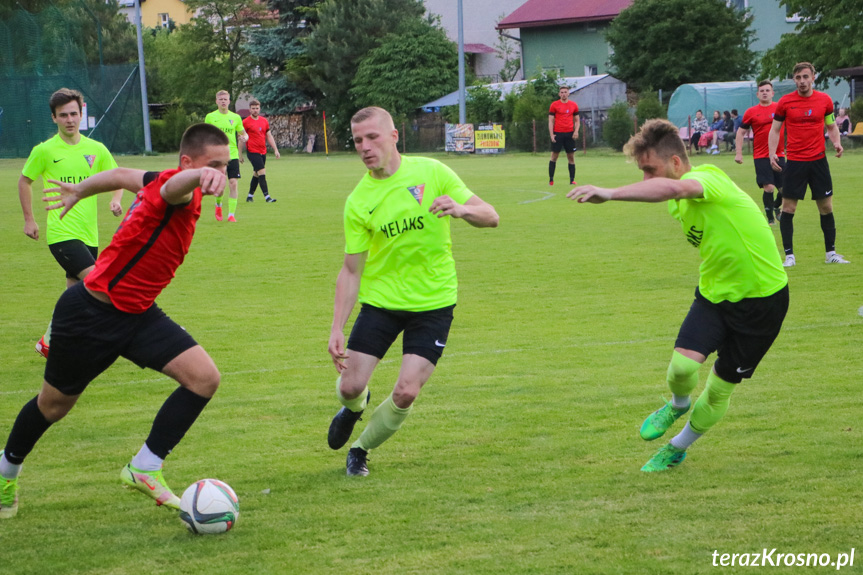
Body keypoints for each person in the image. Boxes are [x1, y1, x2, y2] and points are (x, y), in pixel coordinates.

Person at [0, 124, 230, 519]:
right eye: (215, 166)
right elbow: (175, 188)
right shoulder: (176, 189)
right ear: (188, 163)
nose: (221, 174)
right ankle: (5, 471)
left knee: (204, 378)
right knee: (52, 407)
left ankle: (145, 466)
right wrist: (199, 177)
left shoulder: (161, 179)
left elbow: (123, 175)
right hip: (90, 314)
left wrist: (80, 189)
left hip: (138, 314)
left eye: (226, 166)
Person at [567, 119, 788, 473]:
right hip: (714, 295)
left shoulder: (710, 178)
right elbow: (672, 198)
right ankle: (677, 403)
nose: (645, 180)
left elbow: (675, 190)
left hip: (762, 301)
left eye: (649, 170)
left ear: (675, 163)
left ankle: (677, 447)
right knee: (681, 369)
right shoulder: (676, 204)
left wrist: (611, 193)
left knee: (718, 390)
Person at [326, 107, 499, 477]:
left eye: (372, 137)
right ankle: (354, 407)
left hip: (434, 303)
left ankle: (360, 449)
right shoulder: (358, 201)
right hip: (382, 303)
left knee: (406, 391)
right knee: (350, 384)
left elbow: (491, 215)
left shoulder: (432, 172)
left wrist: (460, 210)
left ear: (393, 136)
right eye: (358, 141)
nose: (365, 147)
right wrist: (337, 326)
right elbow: (351, 269)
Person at [18, 88, 123, 358]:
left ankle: (49, 342)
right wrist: (29, 220)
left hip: (90, 235)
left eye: (74, 114)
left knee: (75, 295)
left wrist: (115, 199)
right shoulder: (45, 150)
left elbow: (117, 177)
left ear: (82, 112)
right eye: (63, 115)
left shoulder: (96, 149)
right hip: (62, 233)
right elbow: (25, 181)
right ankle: (115, 338)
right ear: (54, 118)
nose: (69, 120)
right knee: (100, 284)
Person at [768, 62, 848, 267]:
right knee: (788, 208)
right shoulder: (785, 102)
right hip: (794, 162)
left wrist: (836, 142)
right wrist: (772, 153)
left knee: (826, 206)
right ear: (794, 79)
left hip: (818, 161)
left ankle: (831, 253)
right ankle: (789, 257)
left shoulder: (825, 100)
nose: (802, 81)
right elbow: (775, 130)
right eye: (798, 78)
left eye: (805, 77)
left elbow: (831, 126)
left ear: (813, 77)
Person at [735, 81, 786, 225]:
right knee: (769, 187)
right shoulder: (751, 112)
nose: (765, 92)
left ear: (772, 93)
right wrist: (739, 153)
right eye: (762, 90)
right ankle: (770, 217)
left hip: (779, 154)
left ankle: (776, 206)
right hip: (761, 155)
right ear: (757, 94)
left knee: (785, 189)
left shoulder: (780, 108)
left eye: (767, 90)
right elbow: (741, 132)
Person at [205, 90, 247, 222]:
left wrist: (245, 137)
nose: (223, 101)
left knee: (233, 183)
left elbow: (243, 133)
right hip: (217, 156)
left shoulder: (236, 117)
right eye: (221, 99)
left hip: (232, 154)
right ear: (216, 101)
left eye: (225, 99)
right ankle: (218, 205)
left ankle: (231, 215)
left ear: (229, 101)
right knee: (221, 186)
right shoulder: (211, 117)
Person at [242, 98, 280, 203]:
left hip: (263, 151)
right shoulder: (245, 122)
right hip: (252, 151)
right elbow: (240, 138)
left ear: (259, 109)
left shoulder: (264, 121)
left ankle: (250, 196)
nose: (255, 110)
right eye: (253, 108)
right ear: (249, 110)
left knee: (256, 174)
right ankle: (267, 197)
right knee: (262, 172)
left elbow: (269, 136)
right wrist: (240, 154)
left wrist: (276, 150)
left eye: (257, 108)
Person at [548, 85, 580, 186]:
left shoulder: (573, 105)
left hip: (569, 134)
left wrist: (576, 131)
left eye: (565, 92)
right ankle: (551, 180)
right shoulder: (554, 105)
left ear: (568, 93)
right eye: (562, 92)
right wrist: (552, 134)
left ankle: (572, 180)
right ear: (559, 94)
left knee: (571, 157)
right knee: (554, 156)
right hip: (558, 133)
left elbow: (577, 121)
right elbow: (550, 121)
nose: (563, 94)